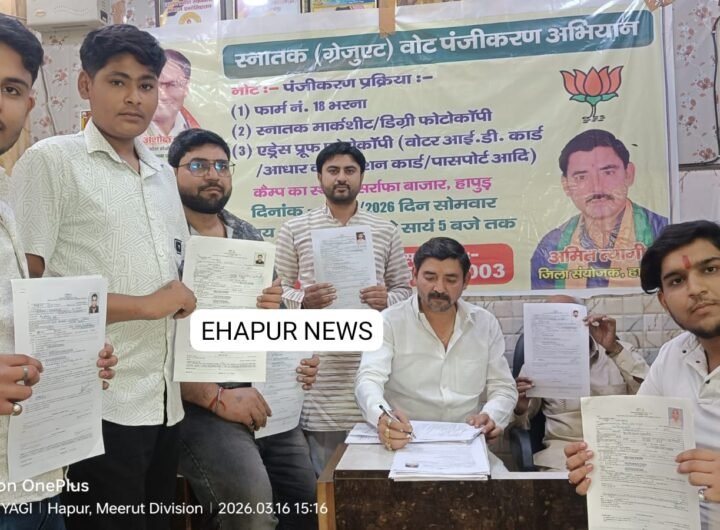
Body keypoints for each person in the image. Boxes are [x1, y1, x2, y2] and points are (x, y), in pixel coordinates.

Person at [12, 25, 197, 530]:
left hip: (164, 402)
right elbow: (22, 294)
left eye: (146, 84)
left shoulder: (162, 174)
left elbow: (175, 275)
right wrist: (144, 306)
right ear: (85, 85)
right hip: (95, 403)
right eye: (118, 81)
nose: (134, 97)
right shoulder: (52, 161)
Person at [168, 128, 319, 530]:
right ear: (171, 173)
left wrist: (300, 358)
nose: (212, 175)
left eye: (221, 166)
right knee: (251, 511)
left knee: (307, 505)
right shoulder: (160, 239)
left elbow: (275, 318)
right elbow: (151, 339)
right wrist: (215, 396)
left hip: (262, 396)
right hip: (196, 403)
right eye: (198, 165)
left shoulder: (248, 235)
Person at [0, 14, 118, 529]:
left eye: (10, 88)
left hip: (33, 471)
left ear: (29, 103)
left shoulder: (5, 194)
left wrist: (73, 351)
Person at [565, 220, 720, 527]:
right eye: (676, 281)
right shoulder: (673, 355)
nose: (696, 289)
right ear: (664, 301)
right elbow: (639, 435)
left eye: (711, 269)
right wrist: (598, 465)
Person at [275, 141, 412, 474]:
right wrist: (304, 301)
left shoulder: (385, 229)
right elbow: (276, 293)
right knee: (324, 476)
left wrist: (386, 299)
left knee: (373, 473)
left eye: (350, 171)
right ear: (319, 177)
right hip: (319, 372)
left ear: (361, 177)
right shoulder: (295, 229)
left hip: (373, 362)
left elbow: (405, 292)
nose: (341, 178)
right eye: (333, 170)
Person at [355, 237, 517, 469]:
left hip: (466, 444)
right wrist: (383, 417)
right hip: (402, 442)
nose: (439, 288)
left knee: (503, 487)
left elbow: (503, 387)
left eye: (451, 280)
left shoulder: (485, 323)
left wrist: (492, 416)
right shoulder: (388, 321)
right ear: (414, 275)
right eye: (430, 278)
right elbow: (368, 379)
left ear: (466, 280)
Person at [513, 295, 649, 471]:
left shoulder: (619, 351)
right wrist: (520, 406)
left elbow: (650, 397)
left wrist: (614, 349)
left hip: (618, 450)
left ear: (585, 320)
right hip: (562, 454)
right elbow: (520, 423)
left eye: (567, 318)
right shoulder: (537, 363)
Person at [531, 129, 668, 290]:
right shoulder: (550, 247)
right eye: (581, 177)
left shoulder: (662, 234)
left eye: (608, 172)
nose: (596, 187)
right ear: (566, 185)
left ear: (629, 174)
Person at [143, 49, 198, 147]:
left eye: (171, 84)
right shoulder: (123, 132)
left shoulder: (199, 131)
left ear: (186, 87)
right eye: (151, 85)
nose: (162, 94)